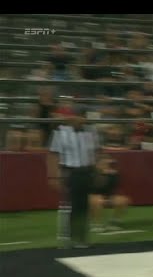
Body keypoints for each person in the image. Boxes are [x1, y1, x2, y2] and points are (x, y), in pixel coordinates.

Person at [47, 106, 100, 249]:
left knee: (84, 207)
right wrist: (53, 176)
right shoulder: (60, 132)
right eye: (78, 116)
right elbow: (53, 154)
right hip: (70, 172)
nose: (81, 119)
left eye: (83, 116)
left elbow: (96, 153)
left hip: (87, 171)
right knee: (69, 207)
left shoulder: (92, 131)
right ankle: (66, 239)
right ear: (72, 117)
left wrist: (96, 172)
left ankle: (82, 238)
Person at [89, 154, 130, 232]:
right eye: (103, 164)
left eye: (107, 164)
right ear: (97, 164)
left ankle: (114, 222)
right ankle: (95, 223)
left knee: (123, 200)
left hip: (108, 197)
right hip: (92, 197)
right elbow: (93, 187)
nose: (106, 166)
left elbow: (114, 187)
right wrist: (100, 174)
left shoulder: (113, 174)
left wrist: (110, 176)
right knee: (98, 200)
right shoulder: (92, 173)